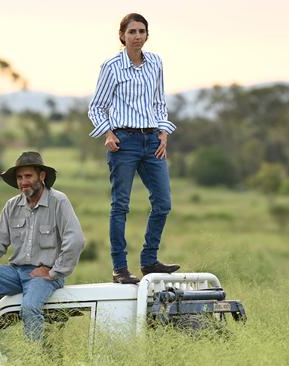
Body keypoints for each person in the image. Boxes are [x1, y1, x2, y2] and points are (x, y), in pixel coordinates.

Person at [0, 151, 85, 363]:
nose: (23, 182)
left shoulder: (59, 201)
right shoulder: (12, 205)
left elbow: (75, 240)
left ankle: (32, 357)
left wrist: (54, 271)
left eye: (28, 176)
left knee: (29, 308)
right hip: (16, 272)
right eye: (19, 178)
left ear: (42, 176)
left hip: (44, 275)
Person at [88, 13, 180, 285]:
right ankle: (120, 268)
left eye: (141, 31)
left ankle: (149, 261)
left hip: (152, 140)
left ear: (147, 35)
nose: (137, 36)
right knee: (121, 206)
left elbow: (159, 102)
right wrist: (107, 133)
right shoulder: (112, 66)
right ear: (122, 36)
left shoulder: (156, 63)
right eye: (132, 32)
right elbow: (96, 106)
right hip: (124, 142)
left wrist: (163, 131)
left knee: (163, 203)